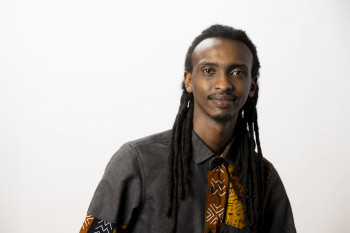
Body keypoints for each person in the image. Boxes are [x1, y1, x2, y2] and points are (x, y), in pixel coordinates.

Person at [79, 24, 296, 233]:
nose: (223, 84)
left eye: (237, 72)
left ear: (252, 85)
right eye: (209, 70)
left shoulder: (263, 178)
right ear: (189, 81)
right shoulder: (137, 162)